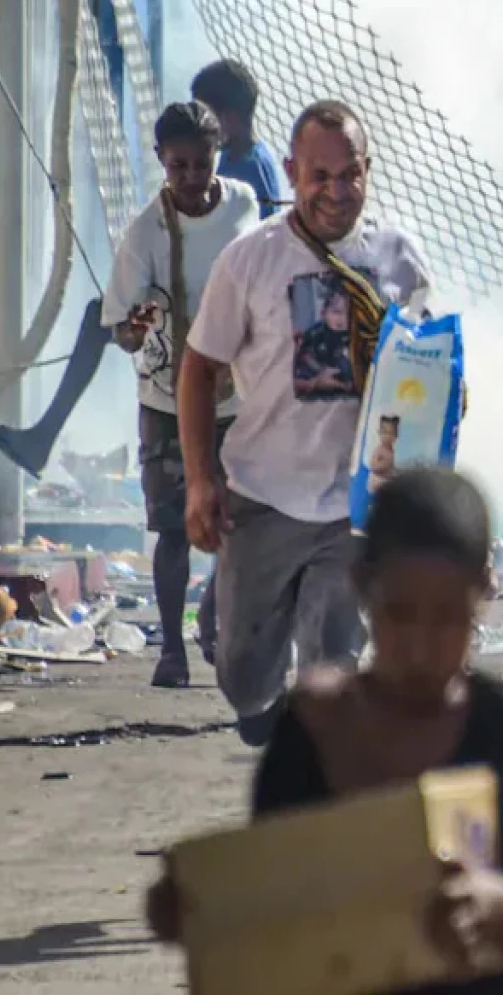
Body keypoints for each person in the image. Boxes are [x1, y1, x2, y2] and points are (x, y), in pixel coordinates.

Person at [147, 467, 503, 991]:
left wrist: (497, 903)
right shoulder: (314, 725)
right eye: (400, 614)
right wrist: (192, 905)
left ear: (482, 596)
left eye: (448, 617)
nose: (422, 646)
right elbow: (264, 899)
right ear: (361, 588)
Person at [178, 100, 435, 746]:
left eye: (349, 175)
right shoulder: (250, 260)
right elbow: (198, 369)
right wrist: (201, 483)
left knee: (332, 657)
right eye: (319, 176)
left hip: (355, 507)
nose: (335, 192)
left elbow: (430, 367)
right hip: (261, 497)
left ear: (368, 171)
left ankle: (322, 781)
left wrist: (446, 402)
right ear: (292, 172)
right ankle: (257, 696)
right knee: (242, 674)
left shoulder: (397, 258)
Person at [102, 101, 260, 687]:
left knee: (241, 520)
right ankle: (172, 649)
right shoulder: (145, 233)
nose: (193, 178)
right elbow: (121, 328)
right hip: (168, 400)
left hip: (241, 397)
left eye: (202, 164)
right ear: (161, 163)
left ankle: (214, 614)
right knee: (173, 527)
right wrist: (135, 330)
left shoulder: (245, 205)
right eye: (179, 167)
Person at [191, 58, 286, 218]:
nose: (199, 123)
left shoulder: (252, 170)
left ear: (230, 118)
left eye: (204, 115)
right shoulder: (231, 154)